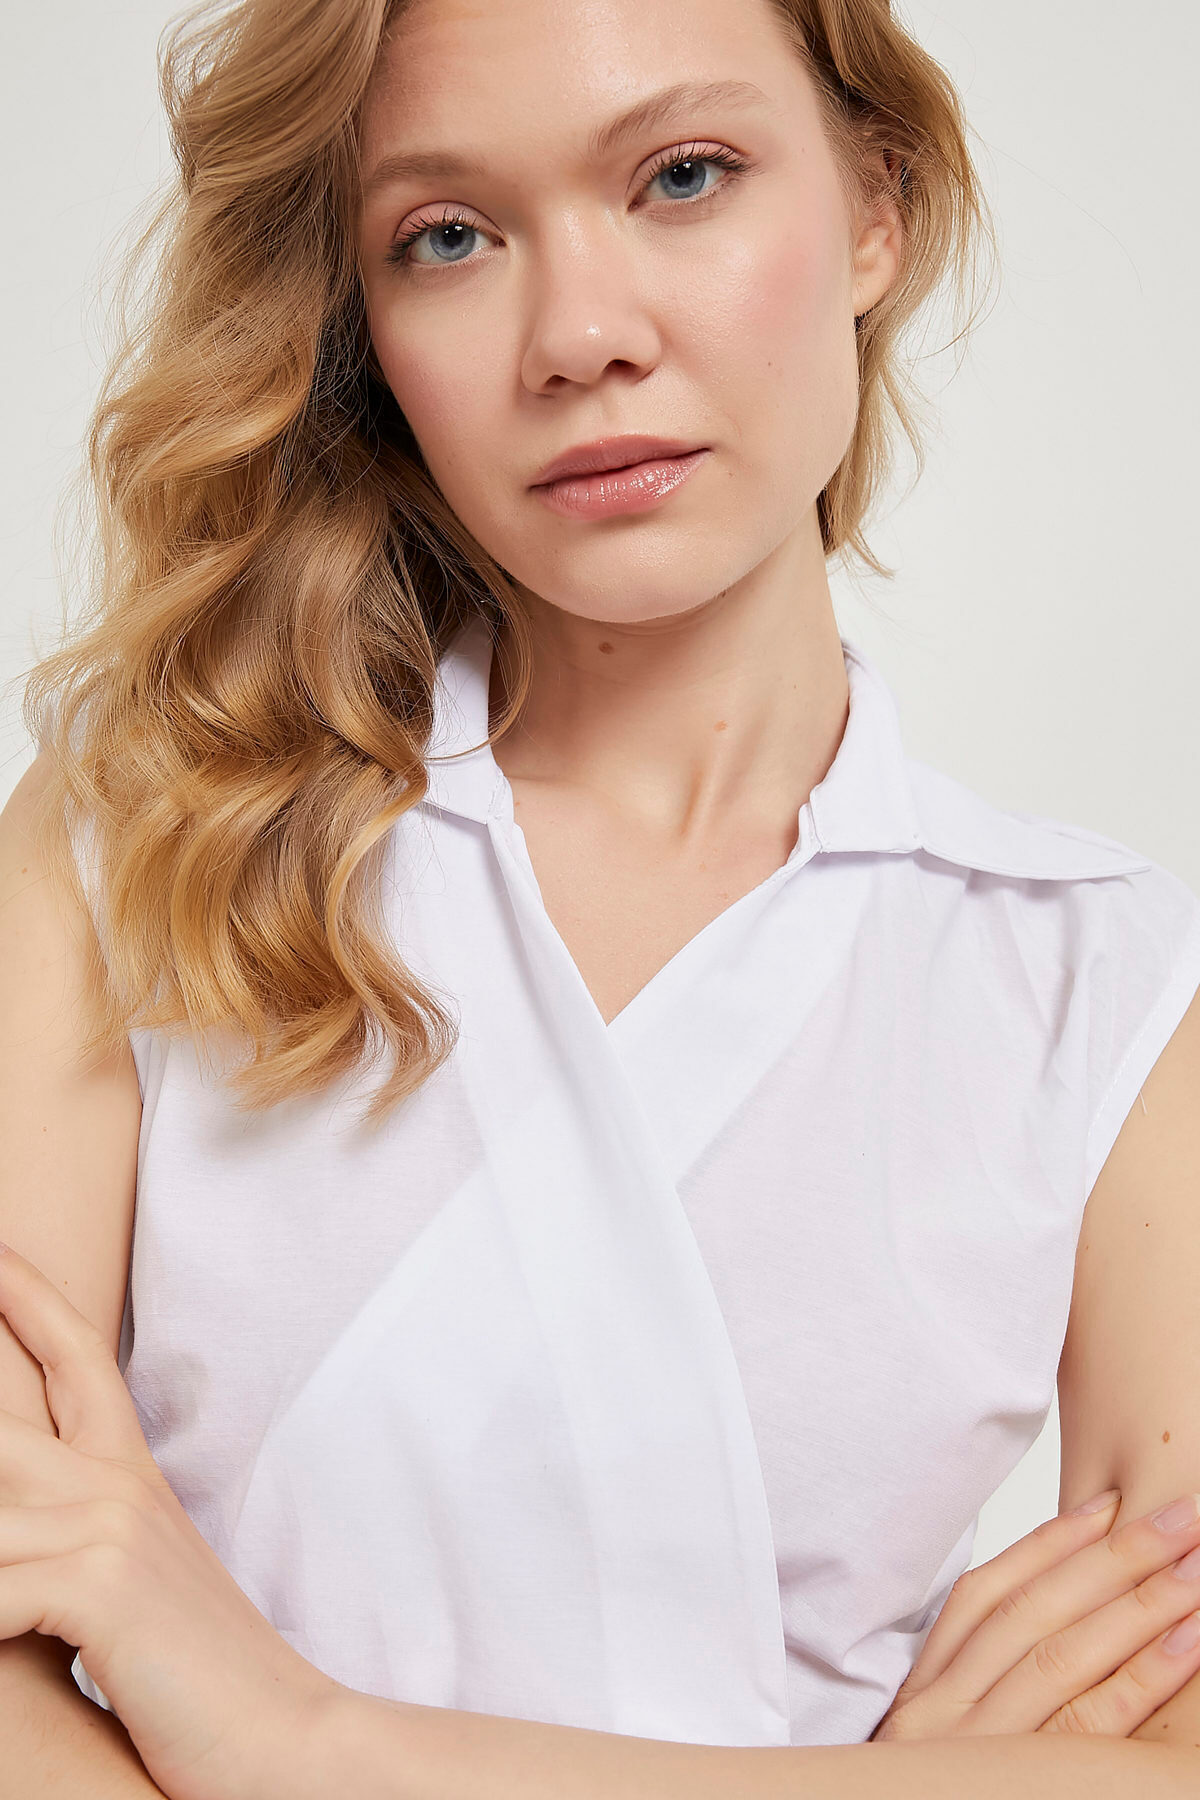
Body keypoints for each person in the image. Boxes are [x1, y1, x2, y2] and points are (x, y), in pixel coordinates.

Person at [3, 0, 1200, 1793]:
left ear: (876, 207)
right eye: (447, 237)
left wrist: (293, 1737)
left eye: (684, 176)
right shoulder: (145, 839)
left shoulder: (1103, 992)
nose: (580, 336)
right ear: (362, 325)